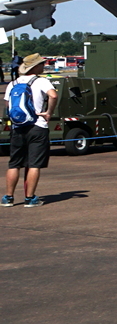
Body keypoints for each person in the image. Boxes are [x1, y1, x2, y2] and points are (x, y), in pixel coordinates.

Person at [5, 53, 56, 208]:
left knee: (14, 164)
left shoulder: (13, 83)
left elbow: (8, 105)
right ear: (36, 67)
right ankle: (30, 198)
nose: (43, 66)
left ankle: (8, 197)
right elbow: (53, 95)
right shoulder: (41, 81)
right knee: (34, 164)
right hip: (37, 126)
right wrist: (48, 112)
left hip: (18, 127)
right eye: (41, 64)